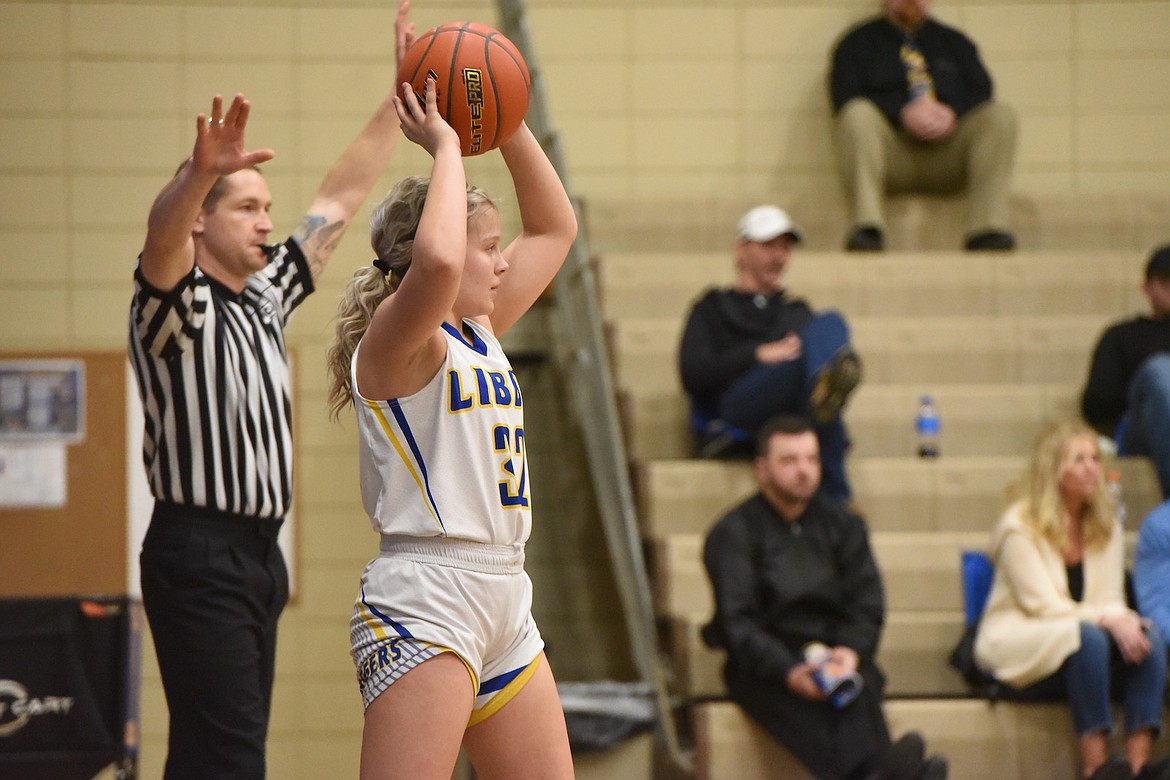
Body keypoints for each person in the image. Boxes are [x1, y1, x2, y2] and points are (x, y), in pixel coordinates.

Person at [126, 3, 415, 775]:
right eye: (248, 207)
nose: (267, 222)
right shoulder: (175, 309)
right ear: (202, 222)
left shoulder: (264, 296)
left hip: (258, 553)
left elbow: (342, 198)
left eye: (266, 209)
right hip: (199, 547)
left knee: (214, 752)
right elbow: (159, 239)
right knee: (228, 759)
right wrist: (197, 176)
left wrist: (399, 96)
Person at [323, 68, 578, 778]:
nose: (502, 260)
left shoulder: (482, 326)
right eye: (489, 246)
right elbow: (436, 260)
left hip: (505, 593)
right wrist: (444, 148)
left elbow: (558, 227)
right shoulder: (399, 340)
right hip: (426, 597)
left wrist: (507, 118)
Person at [702, 415, 948, 780]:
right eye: (789, 460)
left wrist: (850, 650)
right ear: (761, 469)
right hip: (768, 665)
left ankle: (880, 775)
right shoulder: (733, 533)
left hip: (835, 652)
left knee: (856, 684)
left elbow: (867, 603)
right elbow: (738, 622)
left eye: (812, 459)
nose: (804, 470)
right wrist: (789, 671)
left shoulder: (844, 525)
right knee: (806, 701)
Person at [973, 421, 1169, 780]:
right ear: (1053, 469)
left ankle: (1137, 767)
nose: (1092, 467)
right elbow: (1042, 605)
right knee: (1087, 636)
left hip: (1080, 640)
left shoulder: (1104, 522)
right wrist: (1109, 619)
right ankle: (1095, 767)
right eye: (1079, 459)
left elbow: (1110, 598)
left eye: (1095, 457)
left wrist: (1124, 620)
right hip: (1023, 640)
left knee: (1149, 638)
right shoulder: (1019, 525)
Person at [678, 205, 861, 502]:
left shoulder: (796, 310)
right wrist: (758, 354)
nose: (779, 256)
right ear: (741, 251)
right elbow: (693, 373)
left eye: (785, 248)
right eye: (768, 246)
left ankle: (822, 392)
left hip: (793, 401)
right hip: (740, 402)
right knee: (817, 391)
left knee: (830, 322)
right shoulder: (711, 307)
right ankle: (839, 501)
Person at [829, 0, 1018, 252]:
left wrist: (951, 113)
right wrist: (901, 111)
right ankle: (868, 228)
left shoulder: (955, 43)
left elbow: (982, 92)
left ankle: (986, 228)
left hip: (948, 156)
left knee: (1000, 116)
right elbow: (843, 95)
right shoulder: (857, 44)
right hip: (893, 156)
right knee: (857, 113)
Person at [1082, 244, 1170, 500]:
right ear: (1147, 288)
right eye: (1165, 280)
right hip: (1141, 427)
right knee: (1160, 370)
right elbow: (1096, 405)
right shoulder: (1122, 335)